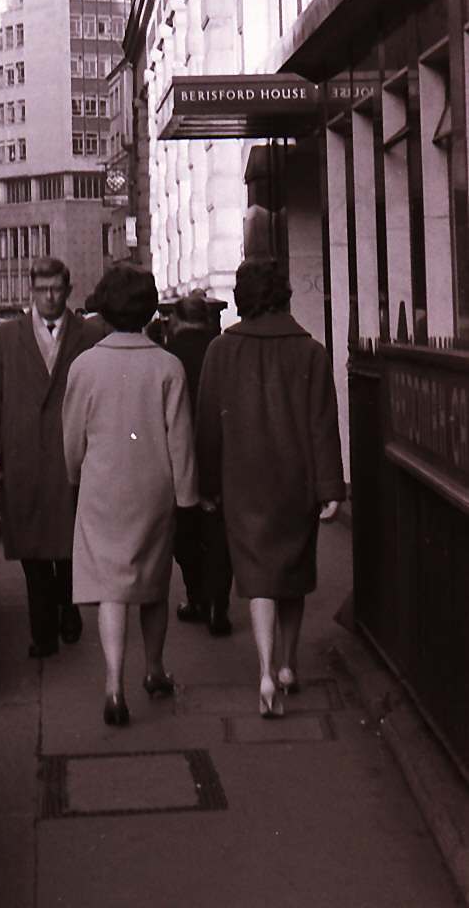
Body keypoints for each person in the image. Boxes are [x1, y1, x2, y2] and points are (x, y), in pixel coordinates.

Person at [195, 258, 345, 719]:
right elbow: (323, 425)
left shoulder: (221, 350)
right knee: (293, 575)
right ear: (284, 295)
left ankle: (262, 669)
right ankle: (288, 664)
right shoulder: (312, 352)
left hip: (243, 481)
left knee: (257, 576)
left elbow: (206, 426)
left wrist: (207, 484)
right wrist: (330, 486)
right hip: (295, 480)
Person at [62, 263, 197, 727]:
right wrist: (187, 495)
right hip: (153, 488)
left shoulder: (84, 366)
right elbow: (181, 438)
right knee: (153, 585)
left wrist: (75, 474)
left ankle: (113, 685)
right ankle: (154, 670)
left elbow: (72, 438)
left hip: (102, 487)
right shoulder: (168, 366)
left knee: (110, 589)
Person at [0, 256, 102, 660]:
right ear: (31, 292)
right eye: (42, 290)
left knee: (67, 544)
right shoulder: (7, 337)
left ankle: (69, 608)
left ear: (68, 290)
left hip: (70, 453)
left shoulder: (87, 334)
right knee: (32, 550)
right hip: (24, 455)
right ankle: (42, 632)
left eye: (56, 290)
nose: (50, 298)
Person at [163, 292, 233, 636]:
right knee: (219, 531)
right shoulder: (222, 350)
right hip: (221, 451)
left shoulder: (167, 355)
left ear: (176, 319)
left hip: (181, 453)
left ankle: (197, 596)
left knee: (186, 533)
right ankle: (220, 603)